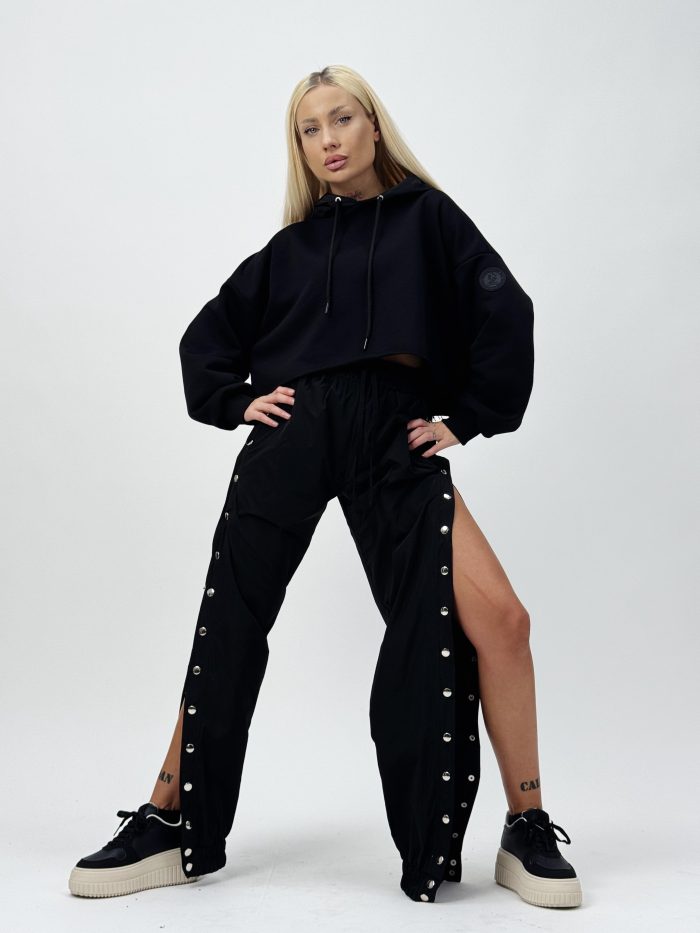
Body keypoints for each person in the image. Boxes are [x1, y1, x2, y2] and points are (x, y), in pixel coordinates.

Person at [68, 64, 582, 909]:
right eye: (310, 129)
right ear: (300, 148)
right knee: (230, 621)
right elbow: (209, 337)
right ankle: (169, 815)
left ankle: (526, 823)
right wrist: (237, 399)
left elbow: (504, 308)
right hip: (297, 430)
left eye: (342, 119)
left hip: (392, 430)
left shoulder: (430, 219)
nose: (329, 140)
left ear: (373, 125)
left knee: (501, 617)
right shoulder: (290, 250)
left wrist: (467, 417)